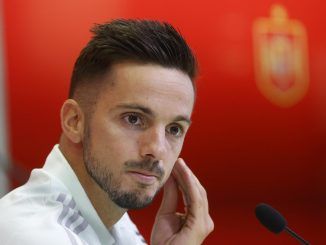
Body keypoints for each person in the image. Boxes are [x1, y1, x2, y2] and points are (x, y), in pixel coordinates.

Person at [0, 19, 214, 244]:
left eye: (174, 129)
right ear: (74, 121)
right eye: (134, 119)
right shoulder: (30, 233)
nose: (157, 149)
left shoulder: (115, 222)